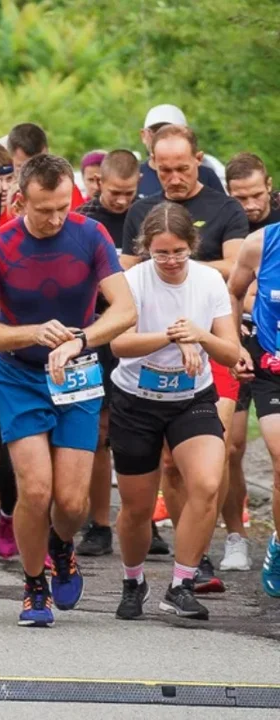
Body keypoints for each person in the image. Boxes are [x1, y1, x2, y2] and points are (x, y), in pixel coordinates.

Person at [0, 154, 136, 627]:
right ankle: (33, 583)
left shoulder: (90, 235)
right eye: (45, 209)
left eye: (64, 206)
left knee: (72, 502)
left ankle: (61, 547)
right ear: (21, 200)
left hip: (77, 373)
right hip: (20, 375)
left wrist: (81, 339)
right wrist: (31, 332)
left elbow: (125, 310)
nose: (56, 218)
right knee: (36, 490)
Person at [121, 125, 249, 589]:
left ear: (198, 160)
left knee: (214, 463)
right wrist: (174, 332)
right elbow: (125, 277)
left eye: (182, 167)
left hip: (208, 351)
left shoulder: (224, 208)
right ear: (151, 163)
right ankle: (161, 567)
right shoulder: (142, 212)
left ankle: (198, 561)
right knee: (157, 481)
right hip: (145, 371)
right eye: (164, 167)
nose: (173, 176)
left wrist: (180, 272)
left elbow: (233, 267)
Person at [109, 202, 239, 621]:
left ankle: (181, 584)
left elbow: (231, 350)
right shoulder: (131, 281)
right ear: (146, 248)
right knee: (136, 508)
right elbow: (118, 344)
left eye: (178, 252)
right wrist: (170, 336)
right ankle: (133, 580)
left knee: (206, 483)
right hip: (135, 402)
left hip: (192, 399)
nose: (169, 261)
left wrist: (197, 334)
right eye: (160, 253)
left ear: (193, 247)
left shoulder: (209, 282)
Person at [73, 149, 141, 557]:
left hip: (139, 330)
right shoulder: (85, 218)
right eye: (115, 193)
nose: (121, 201)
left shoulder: (147, 214)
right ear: (99, 184)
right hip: (96, 330)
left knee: (135, 431)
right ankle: (98, 522)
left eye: (129, 193)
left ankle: (140, 516)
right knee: (98, 433)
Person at [229, 218, 280, 599]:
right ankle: (279, 545)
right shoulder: (260, 243)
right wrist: (236, 345)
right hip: (271, 367)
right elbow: (233, 293)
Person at [137, 105, 225, 199]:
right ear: (144, 135)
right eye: (156, 131)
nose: (163, 137)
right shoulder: (135, 178)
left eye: (172, 131)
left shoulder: (205, 175)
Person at [6, 123, 85, 209]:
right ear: (10, 159)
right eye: (22, 168)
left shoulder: (65, 188)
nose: (31, 176)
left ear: (47, 153)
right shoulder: (1, 194)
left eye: (40, 166)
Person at [226, 153, 280, 234]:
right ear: (228, 191)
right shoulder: (222, 217)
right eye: (241, 198)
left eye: (257, 195)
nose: (250, 206)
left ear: (269, 185)